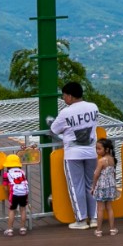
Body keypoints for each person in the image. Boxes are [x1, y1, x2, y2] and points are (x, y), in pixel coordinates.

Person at [47, 81, 100, 231]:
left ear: (70, 96)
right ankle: (95, 218)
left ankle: (81, 220)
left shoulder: (66, 112)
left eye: (64, 96)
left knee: (76, 186)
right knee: (92, 185)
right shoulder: (93, 107)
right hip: (91, 151)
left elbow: (54, 129)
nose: (64, 99)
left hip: (73, 154)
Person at [91, 133, 121, 236]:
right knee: (109, 208)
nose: (97, 151)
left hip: (101, 187)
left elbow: (96, 175)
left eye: (99, 149)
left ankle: (99, 230)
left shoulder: (101, 161)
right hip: (110, 186)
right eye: (96, 149)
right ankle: (112, 229)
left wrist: (93, 187)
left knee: (100, 209)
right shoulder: (112, 159)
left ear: (106, 149)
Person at [1, 153, 31, 236]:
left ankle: (10, 230)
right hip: (24, 193)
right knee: (23, 210)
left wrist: (8, 194)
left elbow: (5, 187)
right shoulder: (22, 172)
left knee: (12, 210)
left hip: (14, 194)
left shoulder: (6, 174)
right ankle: (22, 229)